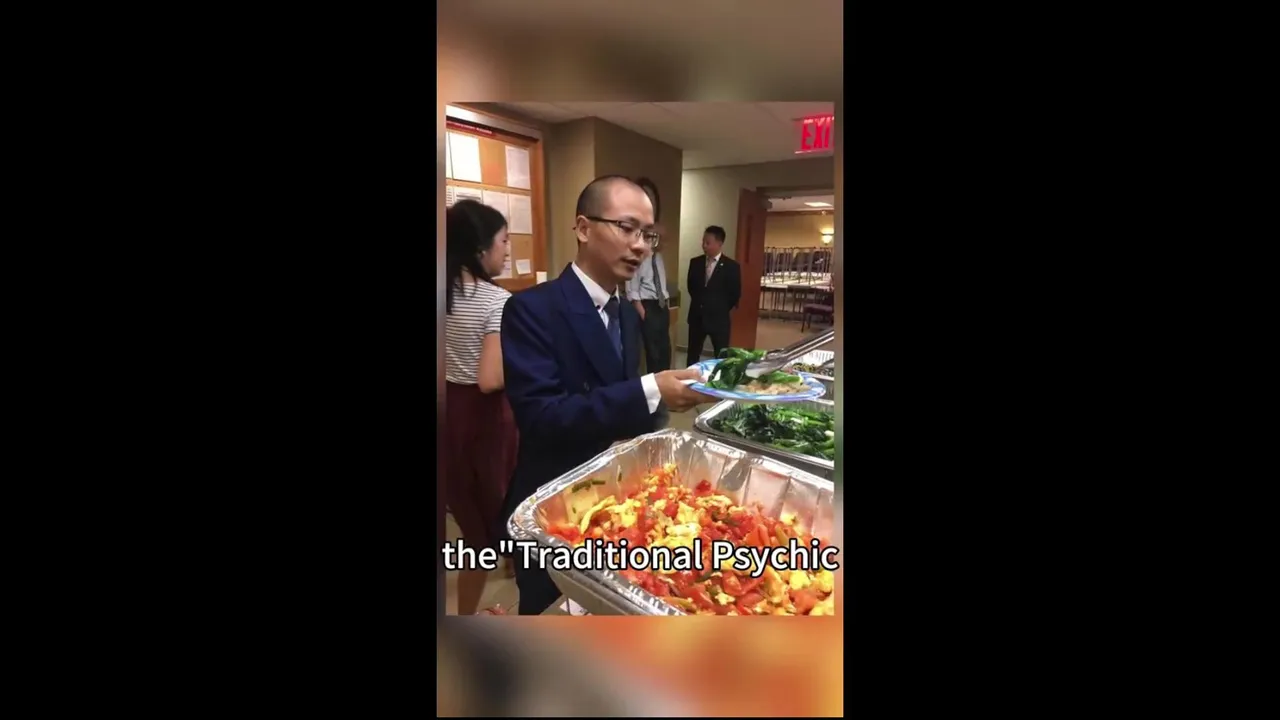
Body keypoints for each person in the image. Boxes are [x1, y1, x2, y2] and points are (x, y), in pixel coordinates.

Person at [500, 175, 709, 615]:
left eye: (648, 235)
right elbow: (542, 417)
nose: (640, 246)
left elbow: (621, 402)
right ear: (583, 228)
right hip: (554, 504)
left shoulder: (626, 314)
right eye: (626, 228)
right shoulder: (532, 309)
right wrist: (651, 388)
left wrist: (665, 404)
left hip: (615, 502)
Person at [444, 199, 520, 615]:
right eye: (503, 241)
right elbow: (491, 378)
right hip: (484, 420)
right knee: (507, 510)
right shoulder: (496, 301)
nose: (507, 250)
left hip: (448, 416)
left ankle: (466, 616)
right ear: (480, 248)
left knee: (473, 530)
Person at [626, 177, 673, 376]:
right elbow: (632, 290)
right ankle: (657, 387)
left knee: (665, 350)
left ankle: (666, 383)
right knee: (652, 352)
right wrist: (643, 313)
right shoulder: (638, 257)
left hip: (662, 306)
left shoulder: (657, 256)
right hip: (648, 307)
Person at [685, 225, 742, 366]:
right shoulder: (695, 262)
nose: (704, 245)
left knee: (721, 357)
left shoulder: (731, 267)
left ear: (719, 243)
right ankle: (689, 378)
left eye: (708, 242)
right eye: (703, 241)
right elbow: (691, 287)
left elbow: (734, 293)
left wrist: (718, 307)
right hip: (697, 317)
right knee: (692, 355)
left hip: (719, 319)